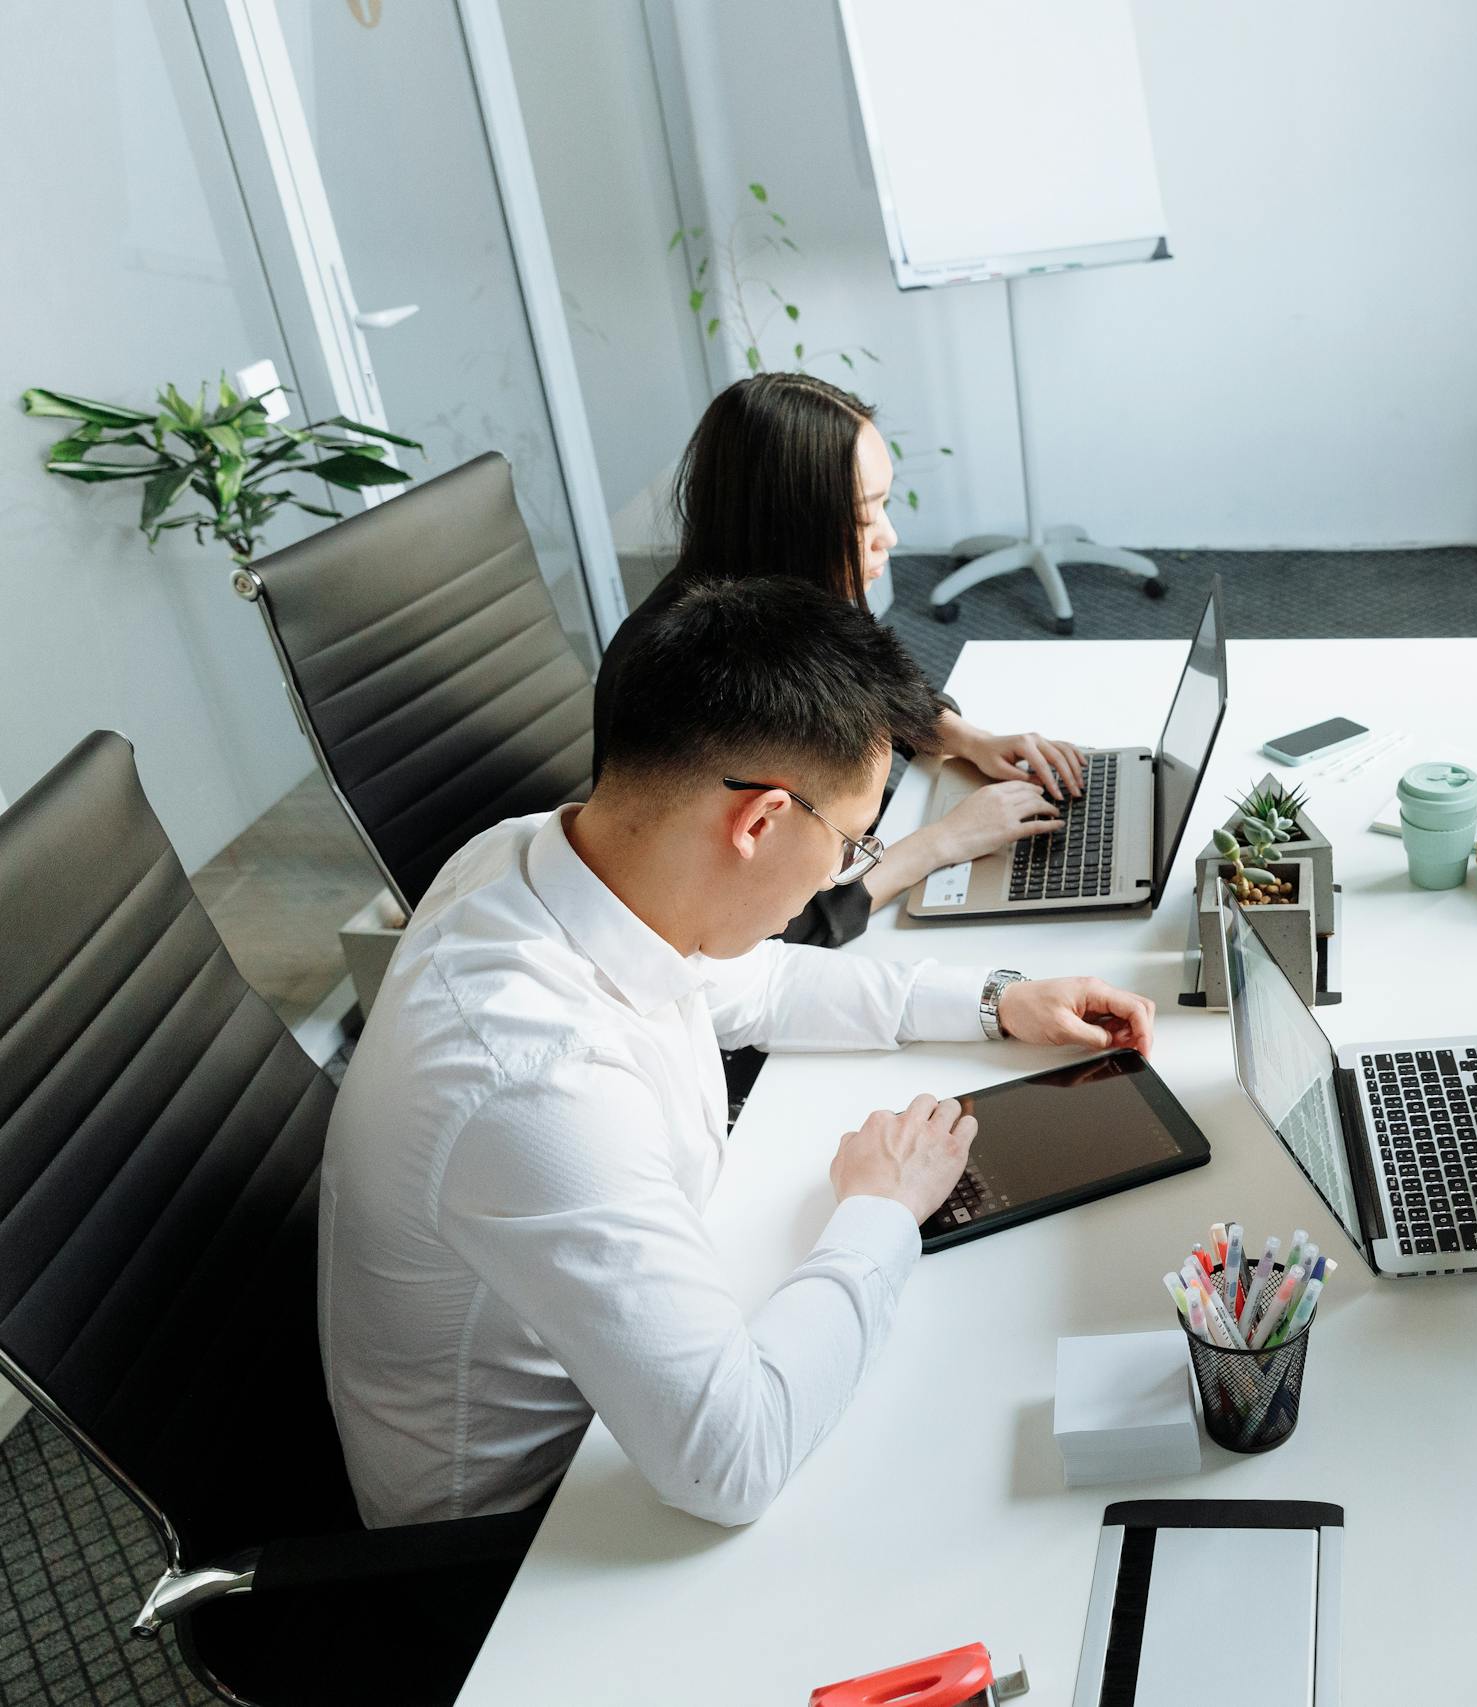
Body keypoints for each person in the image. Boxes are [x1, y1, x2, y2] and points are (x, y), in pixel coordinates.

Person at [322, 576, 1157, 1529]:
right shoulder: (534, 1084)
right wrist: (883, 1212)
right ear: (758, 823)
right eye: (854, 843)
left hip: (628, 1384)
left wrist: (999, 999)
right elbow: (733, 1459)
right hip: (539, 1539)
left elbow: (756, 984)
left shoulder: (535, 858)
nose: (850, 868)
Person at [593, 372, 1082, 946]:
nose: (889, 537)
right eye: (862, 515)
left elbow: (869, 689)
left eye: (885, 505)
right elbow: (778, 930)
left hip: (842, 853)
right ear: (791, 522)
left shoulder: (782, 604)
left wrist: (970, 738)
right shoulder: (714, 677)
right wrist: (940, 844)